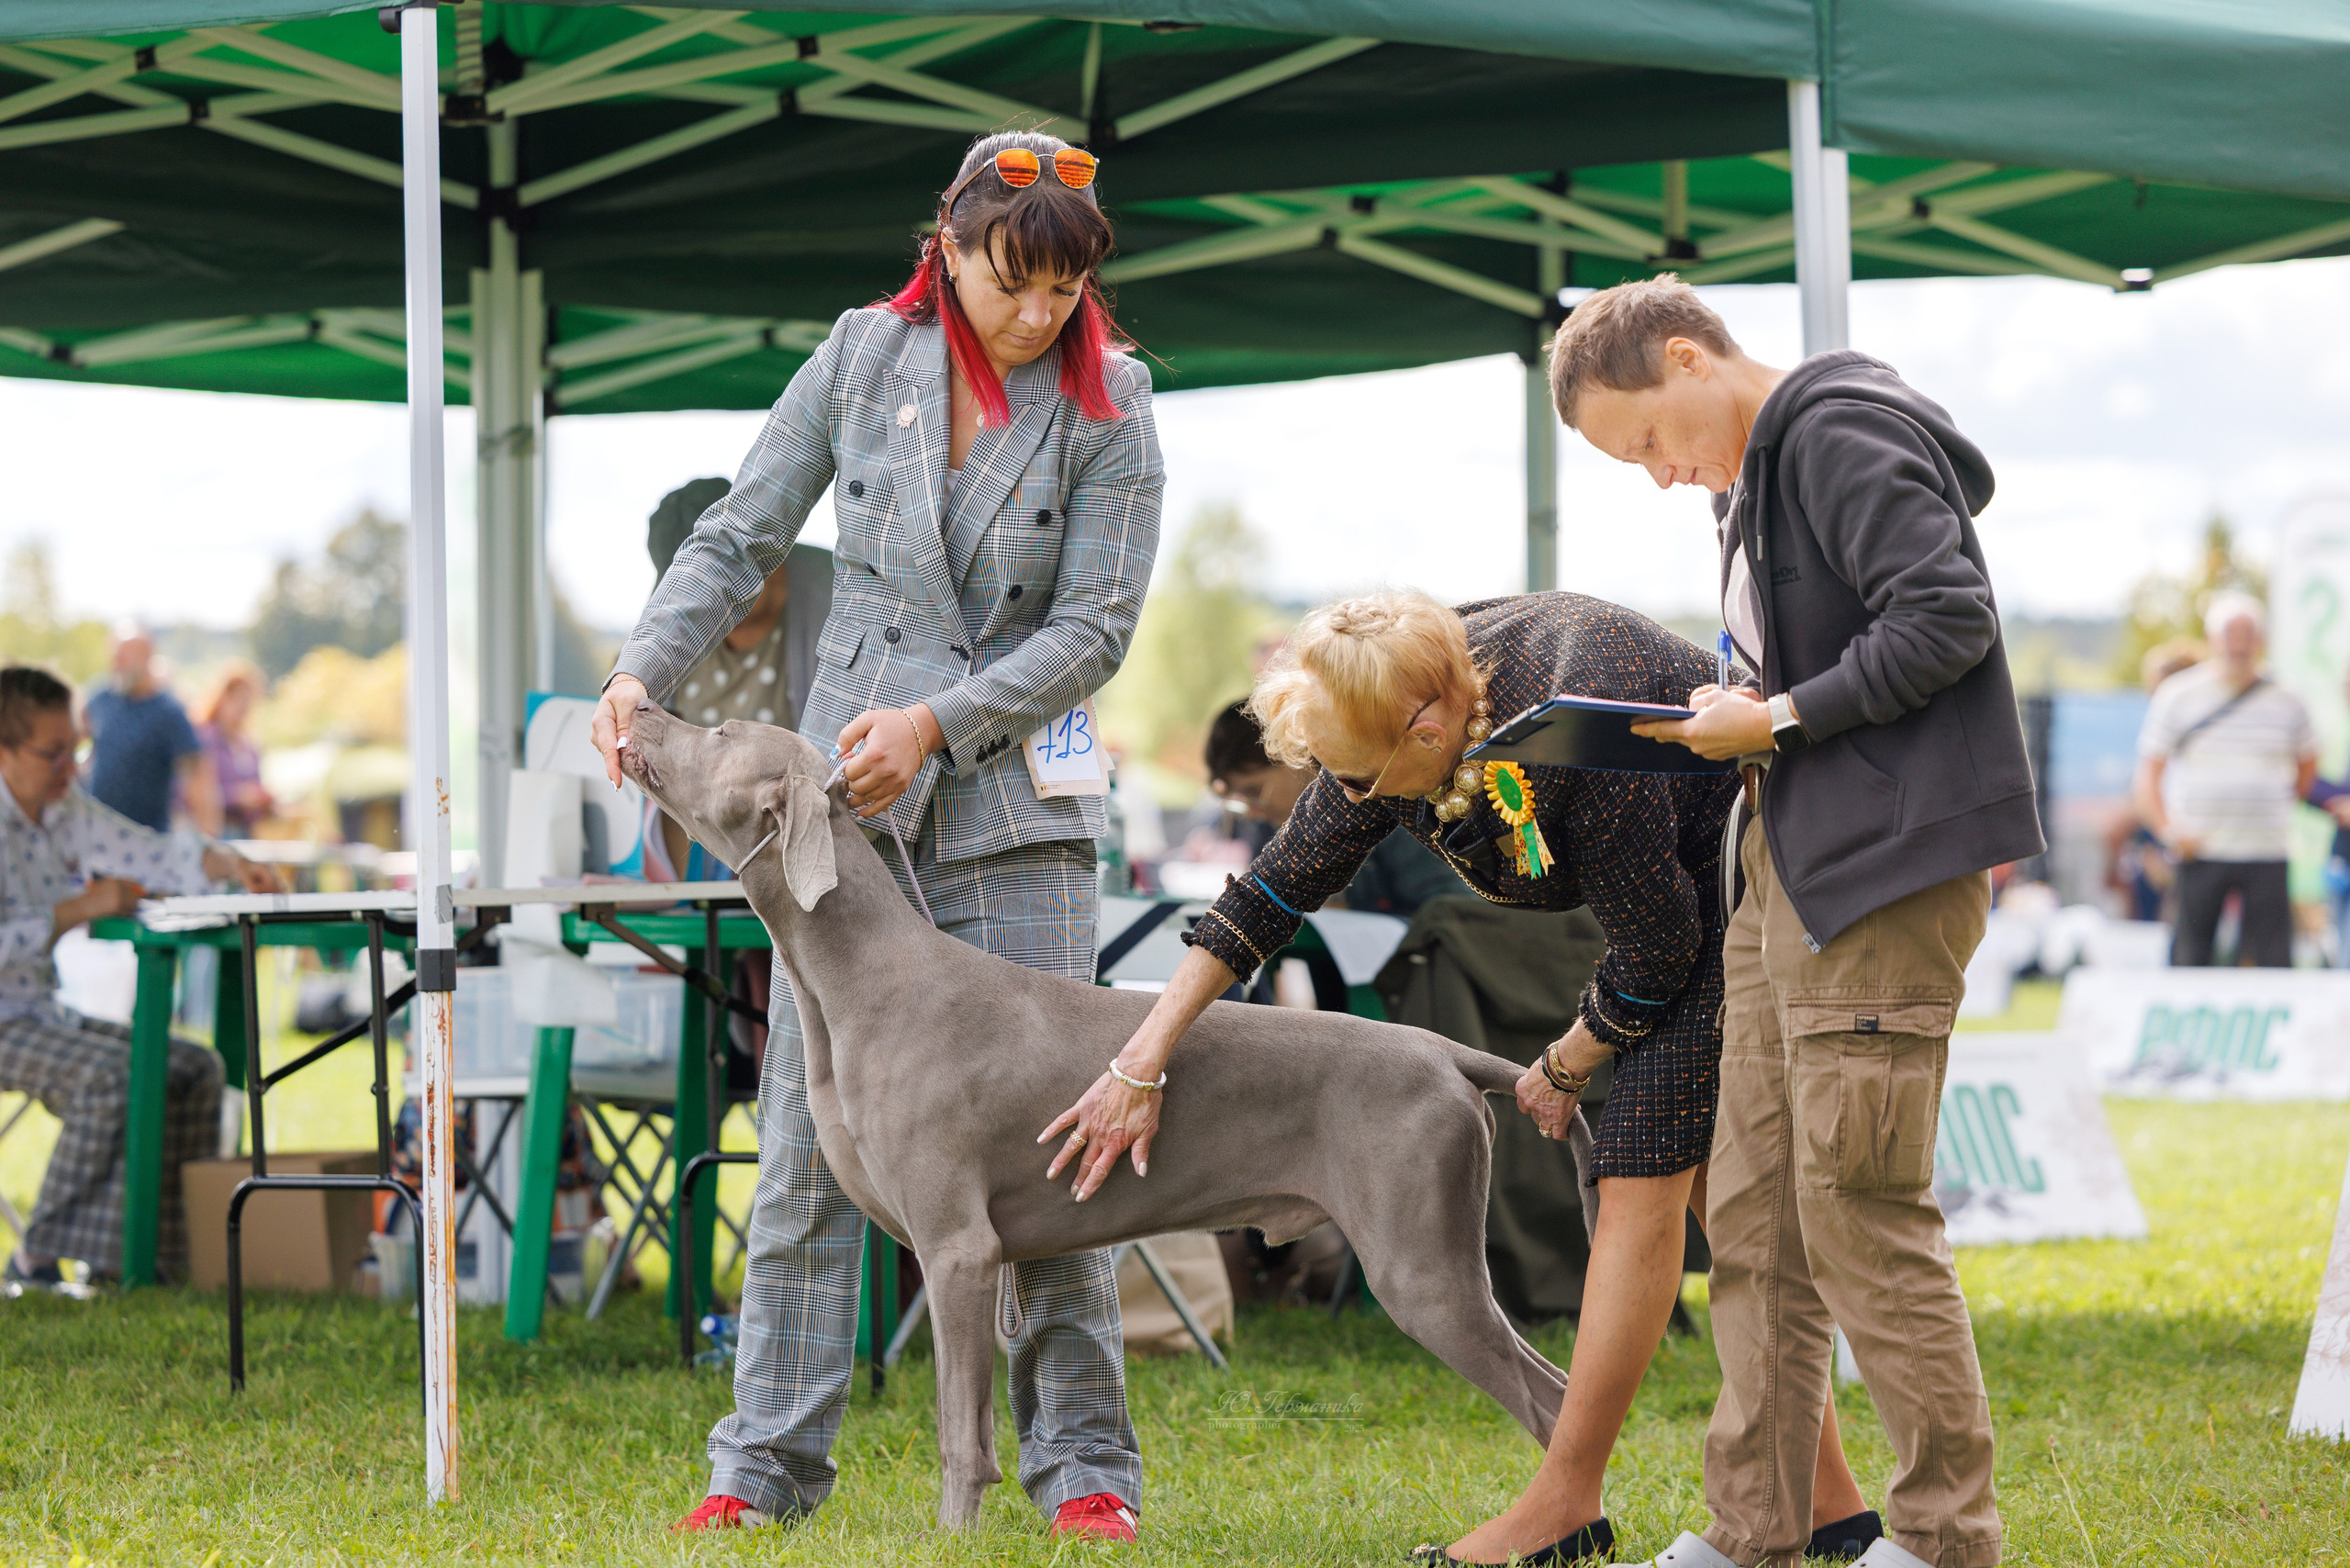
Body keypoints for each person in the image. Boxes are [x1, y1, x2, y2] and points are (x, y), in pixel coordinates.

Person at [1043, 588, 1874, 1566]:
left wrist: (1569, 1058)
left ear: (1428, 728)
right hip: (1675, 916)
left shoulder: (1575, 725)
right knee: (1701, 1204)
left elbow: (1660, 946)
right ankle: (1833, 1508)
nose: (1346, 800)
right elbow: (1267, 892)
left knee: (1640, 1183)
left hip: (1748, 885)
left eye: (1355, 778)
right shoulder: (1383, 720)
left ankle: (1565, 1501)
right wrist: (1138, 1060)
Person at [592, 129, 1162, 1540]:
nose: (1040, 316)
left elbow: (1096, 630)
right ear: (948, 249)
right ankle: (760, 1469)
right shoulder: (858, 356)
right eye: (1013, 282)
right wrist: (641, 669)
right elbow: (740, 534)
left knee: (1055, 1153)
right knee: (806, 1139)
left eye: (1065, 290)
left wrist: (942, 721)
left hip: (1020, 811)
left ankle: (1083, 1471)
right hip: (835, 815)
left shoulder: (1118, 403)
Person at [1552, 275, 2042, 1568]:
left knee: (1858, 1201)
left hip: (1882, 864)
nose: (1660, 476)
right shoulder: (1754, 472)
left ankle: (1942, 1539)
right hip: (1791, 853)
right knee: (1761, 1210)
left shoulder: (1831, 427)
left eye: (1648, 439)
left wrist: (1768, 718)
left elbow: (1946, 617)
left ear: (1688, 356)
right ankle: (1754, 1528)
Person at [0, 666, 278, 1288]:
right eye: (53, 754)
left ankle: (152, 1257)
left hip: (40, 1011)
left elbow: (151, 852)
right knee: (114, 1077)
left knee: (193, 1068)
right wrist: (76, 910)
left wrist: (229, 861)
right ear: (4, 750)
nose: (70, 767)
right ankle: (35, 1258)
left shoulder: (62, 807)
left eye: (77, 750)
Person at [639, 477, 834, 882]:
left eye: (715, 593)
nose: (706, 612)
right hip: (706, 870)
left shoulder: (831, 592)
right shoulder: (673, 627)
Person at [2133, 593, 2314, 968]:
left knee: (2272, 959)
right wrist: (2169, 831)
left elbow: (2308, 763)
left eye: (2248, 634)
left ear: (2261, 640)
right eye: (2231, 634)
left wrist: (2274, 806)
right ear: (2213, 640)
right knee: (2191, 956)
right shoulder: (2178, 695)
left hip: (2267, 849)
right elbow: (2149, 775)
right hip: (2200, 849)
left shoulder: (2289, 699)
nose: (2240, 644)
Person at [1203, 698, 1453, 918]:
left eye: (1254, 792)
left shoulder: (1384, 804)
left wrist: (1354, 919)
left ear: (1294, 753)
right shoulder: (1272, 831)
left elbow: (1451, 907)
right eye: (1240, 802)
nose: (1254, 811)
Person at [83, 625, 216, 835]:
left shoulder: (168, 712)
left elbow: (195, 772)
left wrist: (208, 837)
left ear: (146, 658)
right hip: (97, 832)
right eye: (115, 658)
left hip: (146, 838)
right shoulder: (101, 700)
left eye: (124, 658)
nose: (117, 665)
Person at [189, 662, 273, 840]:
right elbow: (191, 792)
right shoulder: (204, 739)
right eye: (238, 700)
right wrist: (235, 797)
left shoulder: (250, 745)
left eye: (248, 702)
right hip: (214, 832)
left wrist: (264, 802)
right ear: (222, 697)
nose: (243, 708)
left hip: (246, 832)